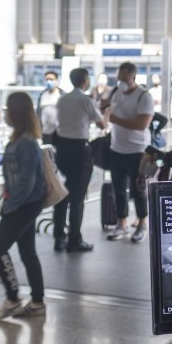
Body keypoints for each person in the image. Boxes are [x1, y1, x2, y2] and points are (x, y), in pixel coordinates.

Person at [0, 92, 47, 321]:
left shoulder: (26, 143)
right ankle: (37, 302)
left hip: (25, 204)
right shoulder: (20, 138)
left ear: (16, 112)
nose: (4, 114)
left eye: (7, 109)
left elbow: (27, 181)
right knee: (27, 252)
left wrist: (10, 205)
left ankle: (13, 299)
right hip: (26, 203)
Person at [52, 67, 106, 253]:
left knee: (61, 195)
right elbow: (102, 124)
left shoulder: (62, 99)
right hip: (80, 150)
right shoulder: (86, 100)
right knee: (77, 198)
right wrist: (107, 112)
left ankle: (59, 238)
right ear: (84, 81)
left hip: (62, 150)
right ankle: (74, 240)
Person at [100, 61, 154, 243]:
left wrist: (113, 118)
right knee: (118, 189)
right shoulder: (115, 92)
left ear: (133, 76)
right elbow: (104, 109)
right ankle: (121, 223)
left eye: (125, 76)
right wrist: (104, 106)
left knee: (139, 189)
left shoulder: (143, 96)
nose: (122, 79)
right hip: (116, 148)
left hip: (138, 150)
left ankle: (142, 224)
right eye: (119, 76)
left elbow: (142, 124)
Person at [37, 70, 63, 145]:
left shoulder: (62, 95)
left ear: (57, 81)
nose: (49, 81)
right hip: (45, 132)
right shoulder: (42, 95)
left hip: (59, 132)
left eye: (51, 79)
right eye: (47, 79)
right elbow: (38, 113)